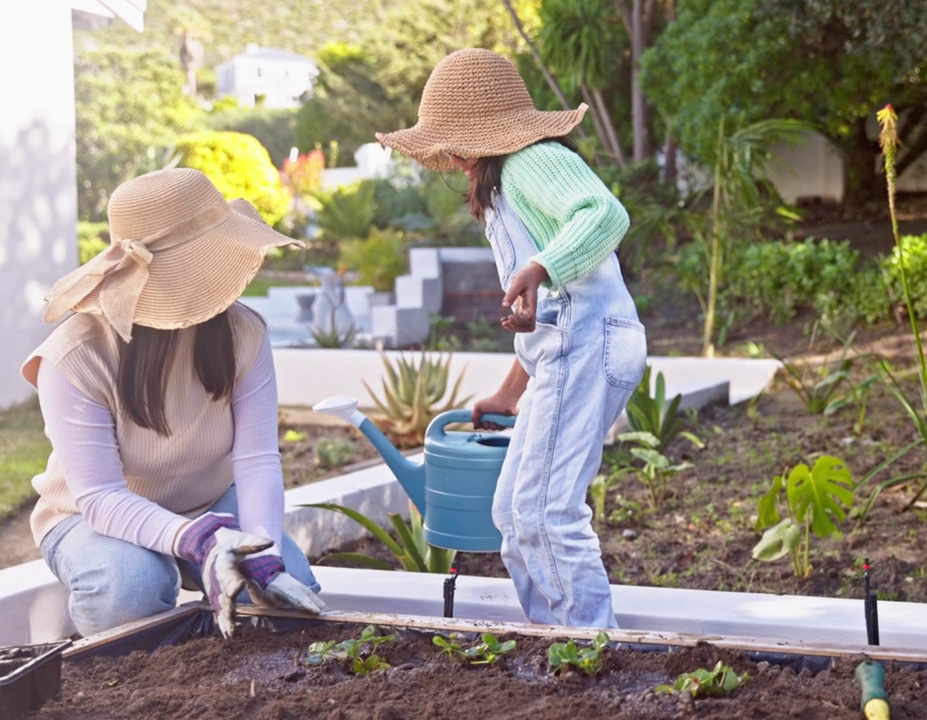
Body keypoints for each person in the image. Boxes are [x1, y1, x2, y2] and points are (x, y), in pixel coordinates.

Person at [377, 48, 647, 629]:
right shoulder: (505, 186)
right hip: (572, 350)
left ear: (476, 136)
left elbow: (605, 214)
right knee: (513, 511)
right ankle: (557, 641)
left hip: (593, 345)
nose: (450, 157)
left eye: (453, 142)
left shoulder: (532, 160)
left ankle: (592, 649)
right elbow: (550, 321)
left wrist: (541, 269)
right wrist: (508, 393)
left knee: (548, 513)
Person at [22, 168, 325, 639]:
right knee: (130, 590)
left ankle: (206, 638)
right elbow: (101, 497)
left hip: (210, 504)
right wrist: (199, 542)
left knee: (287, 595)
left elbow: (257, 458)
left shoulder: (244, 334)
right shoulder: (74, 358)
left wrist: (263, 556)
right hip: (92, 518)